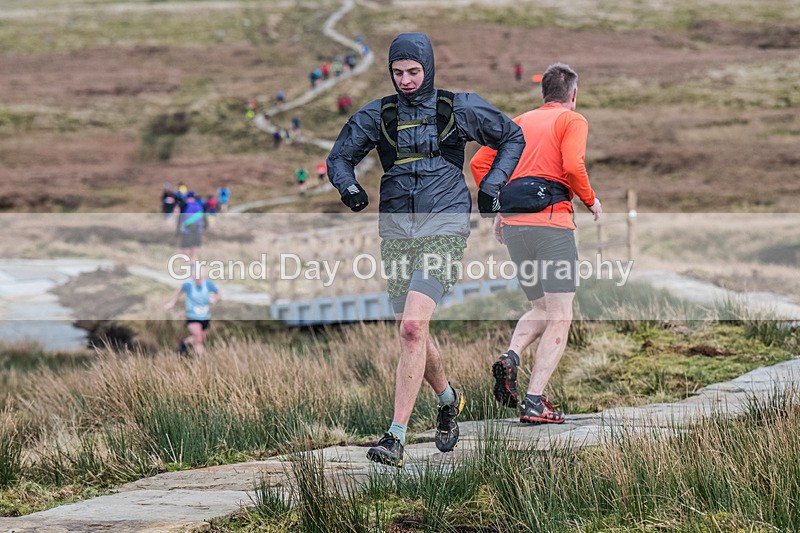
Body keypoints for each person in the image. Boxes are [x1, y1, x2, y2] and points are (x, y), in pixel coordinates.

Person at [327, 32, 525, 467]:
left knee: (413, 327)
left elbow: (512, 137)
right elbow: (338, 158)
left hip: (445, 222)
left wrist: (492, 185)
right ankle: (448, 398)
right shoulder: (378, 114)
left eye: (414, 71)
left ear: (429, 67)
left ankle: (395, 438)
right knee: (410, 329)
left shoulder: (459, 107)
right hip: (397, 228)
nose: (406, 80)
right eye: (398, 72)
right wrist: (348, 187)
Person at [469, 62, 602, 425]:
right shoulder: (572, 121)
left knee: (541, 308)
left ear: (543, 93)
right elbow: (573, 166)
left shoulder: (518, 123)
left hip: (515, 227)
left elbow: (480, 164)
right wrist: (590, 201)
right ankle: (533, 401)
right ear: (573, 95)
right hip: (552, 225)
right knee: (561, 314)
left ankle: (511, 357)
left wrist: (499, 207)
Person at [164, 267, 220, 356]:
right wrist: (172, 303)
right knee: (198, 339)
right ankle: (204, 359)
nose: (199, 280)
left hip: (205, 317)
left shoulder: (208, 285)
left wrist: (214, 299)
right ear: (193, 278)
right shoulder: (189, 285)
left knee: (201, 338)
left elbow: (218, 292)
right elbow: (179, 290)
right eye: (197, 278)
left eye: (200, 278)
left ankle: (184, 343)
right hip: (192, 317)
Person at [177, 191, 207, 263]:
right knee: (195, 246)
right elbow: (204, 218)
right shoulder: (199, 205)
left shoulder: (184, 205)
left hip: (187, 229)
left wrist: (178, 229)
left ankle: (185, 262)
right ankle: (194, 261)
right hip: (198, 229)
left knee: (185, 246)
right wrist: (204, 226)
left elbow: (180, 217)